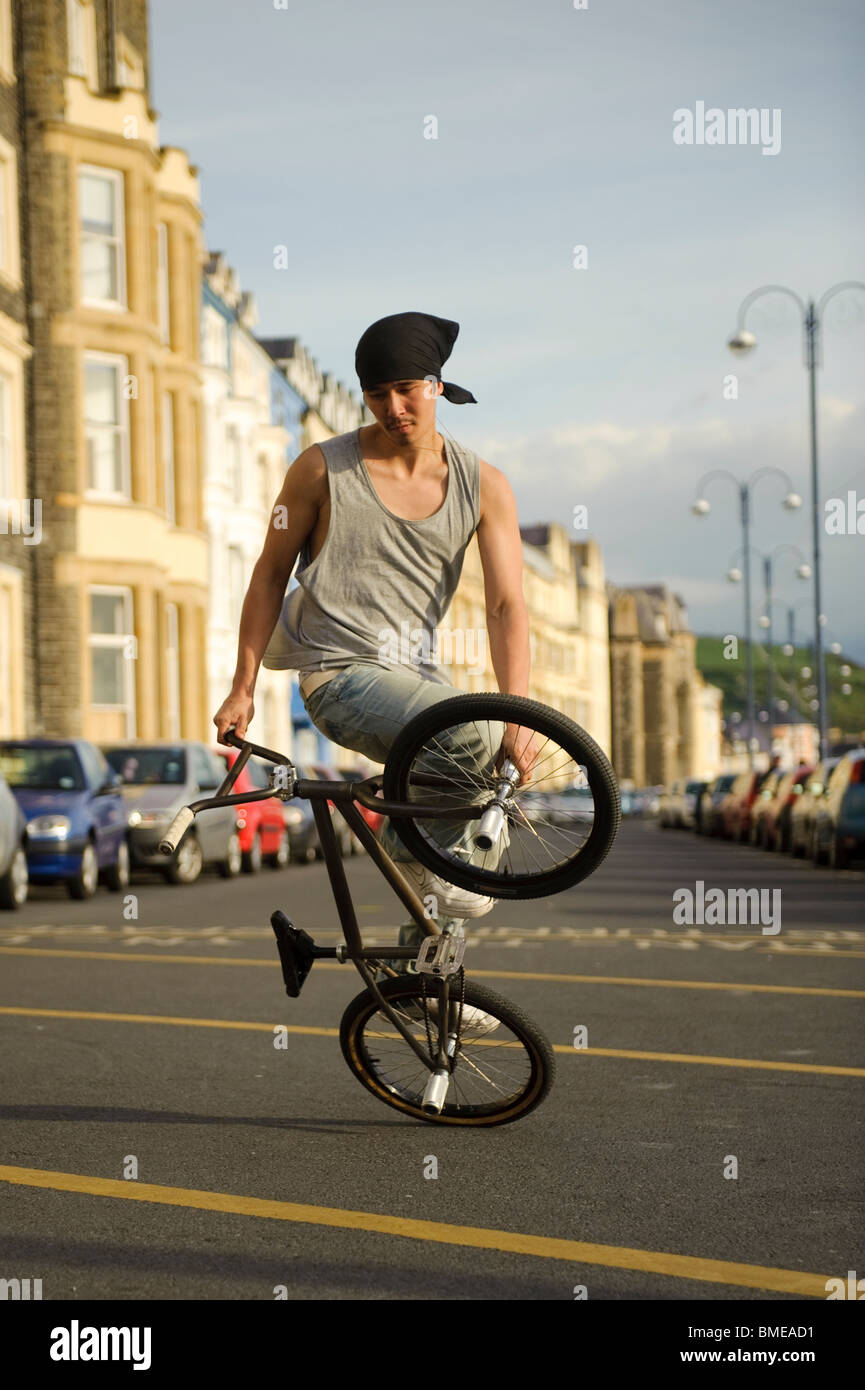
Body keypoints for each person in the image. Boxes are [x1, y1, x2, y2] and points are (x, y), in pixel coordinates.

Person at [213, 311, 538, 1013]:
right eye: (375, 396)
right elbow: (268, 574)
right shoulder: (321, 469)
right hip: (337, 675)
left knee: (483, 778)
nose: (392, 409)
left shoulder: (485, 486)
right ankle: (405, 846)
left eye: (404, 391)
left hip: (416, 681)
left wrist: (522, 716)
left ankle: (429, 984)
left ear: (436, 385)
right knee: (470, 738)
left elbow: (507, 605)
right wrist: (242, 686)